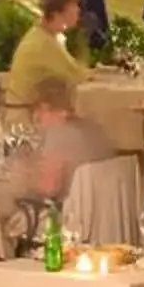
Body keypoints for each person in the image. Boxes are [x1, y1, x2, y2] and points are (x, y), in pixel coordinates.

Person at [22, 75, 115, 203]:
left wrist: (24, 180)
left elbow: (49, 189)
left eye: (37, 113)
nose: (37, 122)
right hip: (104, 210)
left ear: (45, 107)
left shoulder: (58, 134)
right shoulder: (94, 128)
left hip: (71, 214)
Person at [7, 0, 92, 106]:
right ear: (57, 14)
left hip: (30, 110)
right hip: (27, 116)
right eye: (73, 6)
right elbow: (77, 75)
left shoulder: (43, 36)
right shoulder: (44, 43)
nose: (78, 10)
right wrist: (84, 39)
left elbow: (74, 70)